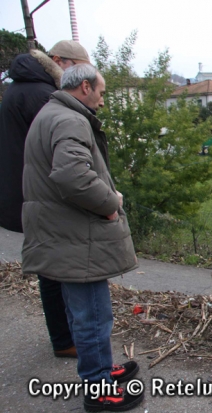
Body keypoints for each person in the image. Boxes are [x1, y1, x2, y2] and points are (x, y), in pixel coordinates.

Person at [22, 64, 143, 411]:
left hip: (61, 230)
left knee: (85, 311)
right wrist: (109, 204)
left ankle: (101, 370)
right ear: (86, 87)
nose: (102, 102)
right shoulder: (71, 120)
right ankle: (98, 388)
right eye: (102, 93)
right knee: (92, 313)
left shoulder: (51, 113)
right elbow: (72, 175)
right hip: (76, 236)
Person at [0, 40, 91, 359]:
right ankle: (64, 338)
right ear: (57, 61)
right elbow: (61, 155)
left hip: (25, 192)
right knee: (54, 269)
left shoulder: (21, 88)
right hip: (40, 195)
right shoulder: (41, 95)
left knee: (51, 266)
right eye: (78, 68)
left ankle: (64, 334)